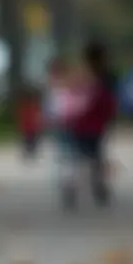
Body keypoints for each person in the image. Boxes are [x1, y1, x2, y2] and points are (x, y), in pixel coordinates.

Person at [69, 41, 119, 204]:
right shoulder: (105, 77)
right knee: (95, 155)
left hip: (79, 123)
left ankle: (75, 184)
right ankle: (97, 185)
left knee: (81, 156)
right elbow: (109, 101)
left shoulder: (78, 75)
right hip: (96, 123)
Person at [43, 57, 90, 209]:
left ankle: (69, 180)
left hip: (71, 125)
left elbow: (81, 105)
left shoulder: (67, 88)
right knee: (67, 155)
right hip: (62, 126)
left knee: (70, 155)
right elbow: (50, 109)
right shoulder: (55, 90)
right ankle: (68, 180)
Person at [15, 85, 43, 161]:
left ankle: (30, 152)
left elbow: (22, 118)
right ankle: (30, 152)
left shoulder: (27, 106)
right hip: (29, 127)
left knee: (30, 140)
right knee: (29, 140)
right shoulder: (30, 106)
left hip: (30, 127)